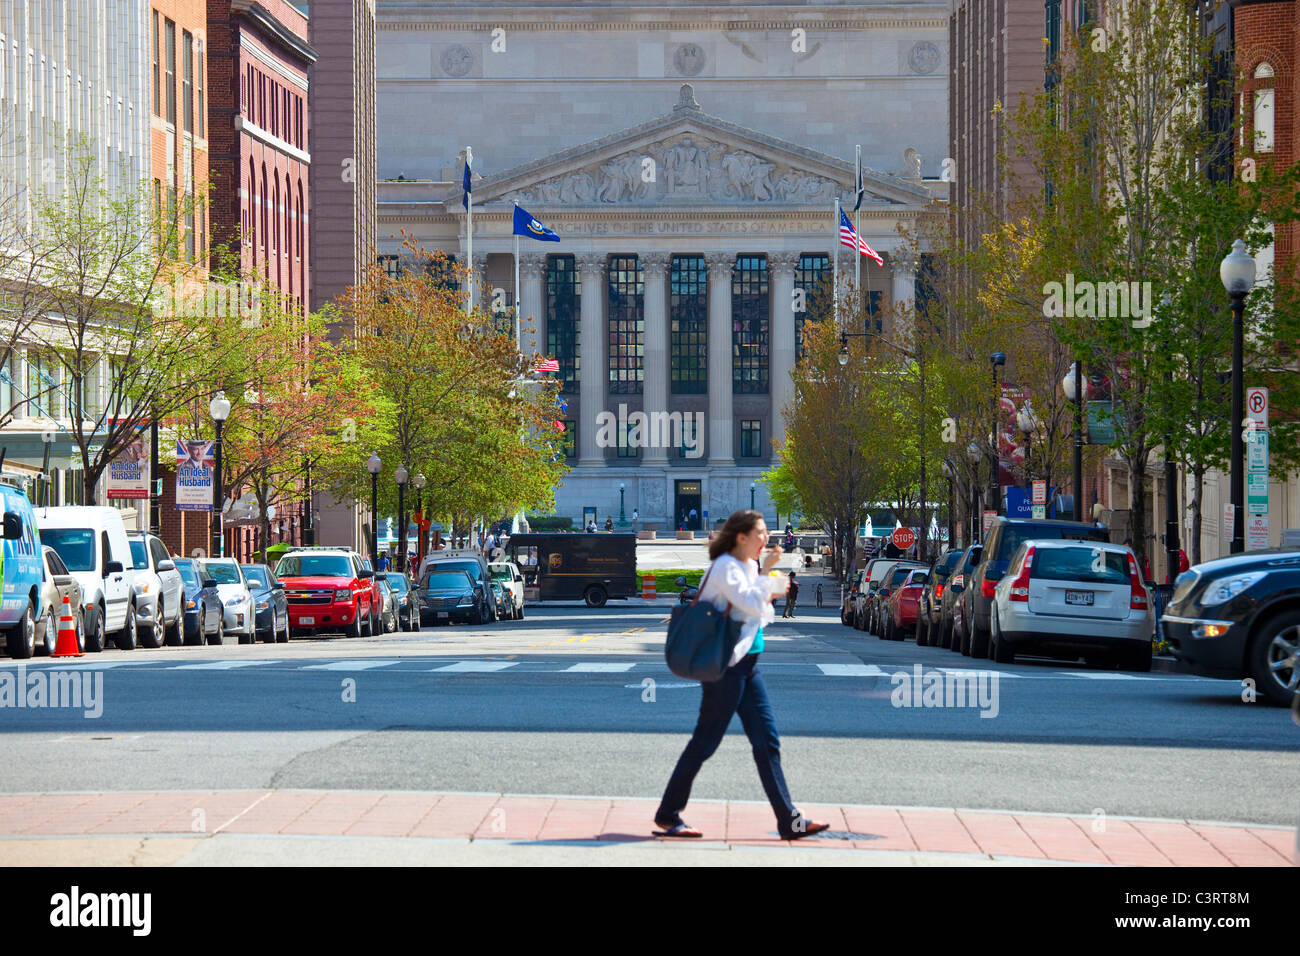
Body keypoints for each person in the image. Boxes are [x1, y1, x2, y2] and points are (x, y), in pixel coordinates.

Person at [654, 509, 830, 840]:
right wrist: (771, 582)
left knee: (767, 742)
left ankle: (789, 821)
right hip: (726, 668)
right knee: (705, 742)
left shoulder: (747, 566)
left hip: (747, 666)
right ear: (741, 537)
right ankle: (668, 813)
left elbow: (761, 613)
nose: (767, 538)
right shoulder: (725, 567)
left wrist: (765, 577)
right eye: (761, 533)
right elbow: (750, 603)